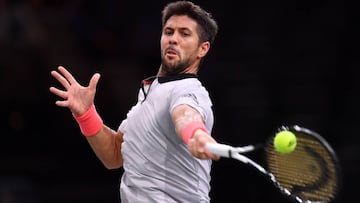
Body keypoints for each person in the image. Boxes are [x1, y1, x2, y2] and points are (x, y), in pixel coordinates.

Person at [49, 1, 220, 202]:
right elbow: (114, 155)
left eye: (185, 34)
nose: (173, 39)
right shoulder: (151, 94)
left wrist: (195, 133)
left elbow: (185, 114)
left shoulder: (188, 91)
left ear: (203, 49)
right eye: (169, 32)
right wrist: (86, 114)